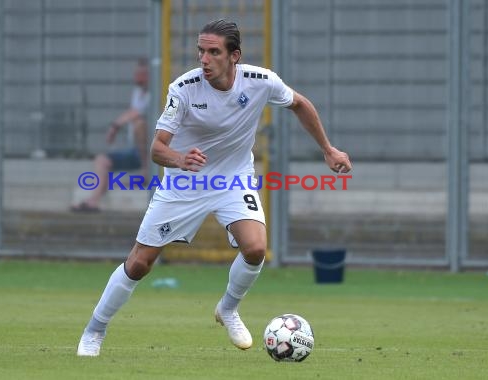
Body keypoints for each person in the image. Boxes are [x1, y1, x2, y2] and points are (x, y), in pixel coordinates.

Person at [76, 19, 352, 356]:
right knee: (139, 264)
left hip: (233, 180)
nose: (204, 59)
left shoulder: (261, 81)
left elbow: (300, 104)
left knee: (255, 248)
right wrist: (179, 159)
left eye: (213, 52)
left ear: (234, 55)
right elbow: (157, 149)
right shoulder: (184, 88)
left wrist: (328, 149)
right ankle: (95, 330)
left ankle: (228, 308)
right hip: (184, 183)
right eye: (201, 51)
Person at [71, 59, 150, 212]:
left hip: (155, 153)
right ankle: (92, 202)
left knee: (140, 125)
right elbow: (134, 111)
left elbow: (135, 113)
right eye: (137, 73)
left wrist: (115, 126)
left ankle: (147, 171)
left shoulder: (158, 92)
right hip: (135, 151)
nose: (138, 77)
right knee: (102, 160)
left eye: (142, 74)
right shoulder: (138, 92)